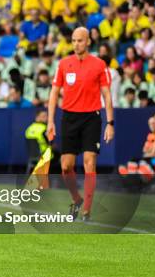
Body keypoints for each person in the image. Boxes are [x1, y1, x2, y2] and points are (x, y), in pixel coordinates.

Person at [47, 27, 114, 222]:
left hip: (91, 118)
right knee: (66, 166)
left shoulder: (99, 65)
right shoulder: (63, 64)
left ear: (88, 42)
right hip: (69, 118)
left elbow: (107, 95)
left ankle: (86, 210)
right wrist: (51, 120)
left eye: (80, 40)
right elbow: (53, 94)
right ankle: (76, 199)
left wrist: (110, 123)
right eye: (74, 40)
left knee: (89, 162)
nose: (76, 44)